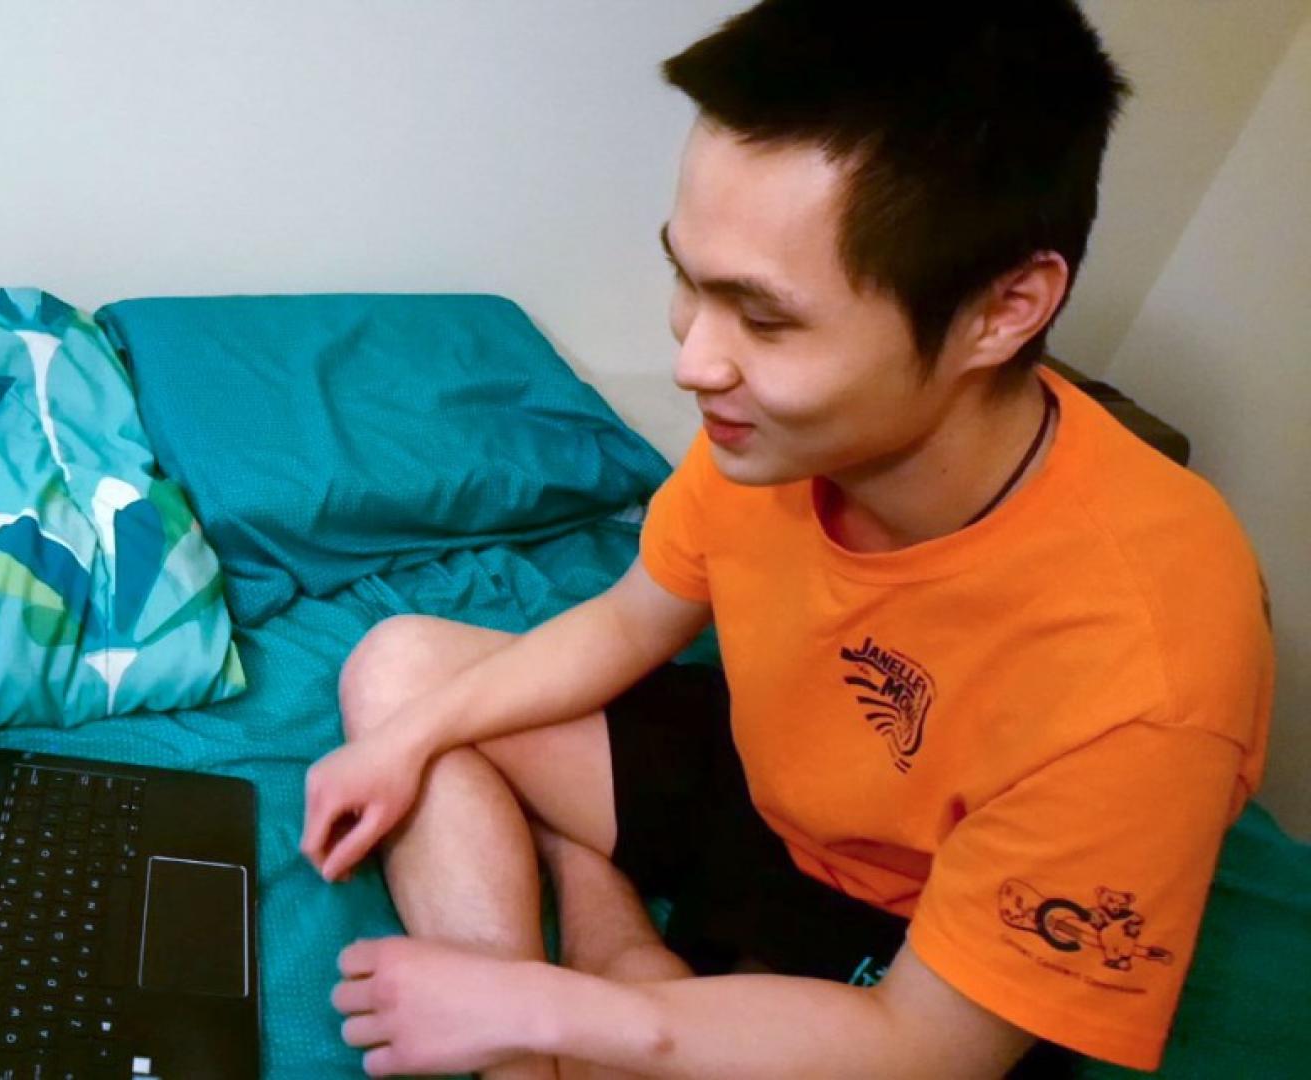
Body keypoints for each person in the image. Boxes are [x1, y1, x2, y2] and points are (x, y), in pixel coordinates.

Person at [300, 3, 1274, 1077]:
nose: (695, 362)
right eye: (688, 279)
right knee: (403, 671)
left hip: (912, 941)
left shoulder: (1150, 667)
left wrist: (562, 1010)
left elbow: (933, 1048)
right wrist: (405, 741)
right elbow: (631, 619)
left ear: (1005, 309)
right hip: (763, 794)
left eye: (763, 320)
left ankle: (601, 962)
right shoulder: (763, 438)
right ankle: (586, 964)